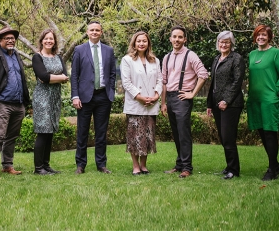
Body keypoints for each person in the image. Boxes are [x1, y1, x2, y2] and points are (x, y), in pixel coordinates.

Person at [0, 26, 31, 179]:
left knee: (12, 136)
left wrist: (25, 101)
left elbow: (22, 79)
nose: (10, 40)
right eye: (7, 38)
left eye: (12, 38)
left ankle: (8, 165)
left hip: (18, 103)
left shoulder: (16, 55)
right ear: (0, 41)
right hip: (2, 104)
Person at [161, 26, 209, 178]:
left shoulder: (190, 55)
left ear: (185, 39)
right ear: (170, 39)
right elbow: (163, 81)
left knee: (184, 134)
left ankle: (187, 167)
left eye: (180, 37)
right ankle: (179, 164)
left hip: (183, 98)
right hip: (170, 97)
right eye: (174, 37)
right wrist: (163, 103)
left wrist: (192, 93)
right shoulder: (166, 57)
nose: (177, 39)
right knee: (176, 134)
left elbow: (203, 74)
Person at [71, 21, 116, 174]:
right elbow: (74, 75)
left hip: (103, 96)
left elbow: (112, 73)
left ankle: (101, 164)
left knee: (101, 133)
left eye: (97, 30)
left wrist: (111, 91)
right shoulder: (79, 50)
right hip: (84, 97)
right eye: (92, 30)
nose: (95, 32)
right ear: (87, 32)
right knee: (82, 132)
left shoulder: (108, 50)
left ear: (101, 32)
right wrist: (75, 96)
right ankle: (80, 165)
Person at [246, 24, 279, 181]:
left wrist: (277, 90)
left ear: (269, 37)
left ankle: (272, 170)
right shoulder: (252, 54)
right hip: (255, 99)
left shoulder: (275, 53)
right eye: (258, 34)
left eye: (264, 35)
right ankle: (276, 165)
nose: (261, 37)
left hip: (270, 99)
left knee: (270, 133)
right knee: (262, 132)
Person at [121, 31, 162, 175]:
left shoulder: (155, 60)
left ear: (148, 43)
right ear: (134, 43)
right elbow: (126, 82)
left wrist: (156, 95)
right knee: (134, 136)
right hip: (135, 104)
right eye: (139, 41)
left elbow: (159, 80)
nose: (141, 43)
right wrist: (140, 97)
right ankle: (135, 166)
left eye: (144, 41)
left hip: (151, 103)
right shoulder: (127, 60)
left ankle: (144, 165)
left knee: (148, 135)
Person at [206, 31, 245, 180]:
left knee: (228, 137)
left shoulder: (236, 58)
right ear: (218, 43)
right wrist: (210, 103)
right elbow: (213, 84)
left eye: (227, 42)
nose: (223, 44)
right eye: (221, 42)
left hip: (231, 104)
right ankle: (229, 166)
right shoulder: (217, 59)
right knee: (223, 137)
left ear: (231, 43)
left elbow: (237, 81)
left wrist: (226, 101)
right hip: (217, 104)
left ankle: (234, 170)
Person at [32, 29, 69, 175]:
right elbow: (43, 77)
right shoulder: (37, 57)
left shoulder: (58, 57)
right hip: (42, 98)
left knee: (50, 132)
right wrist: (57, 78)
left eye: (51, 39)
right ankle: (38, 168)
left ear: (54, 41)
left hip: (55, 98)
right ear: (41, 40)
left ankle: (46, 165)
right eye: (46, 39)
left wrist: (52, 77)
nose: (49, 41)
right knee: (43, 131)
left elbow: (66, 76)